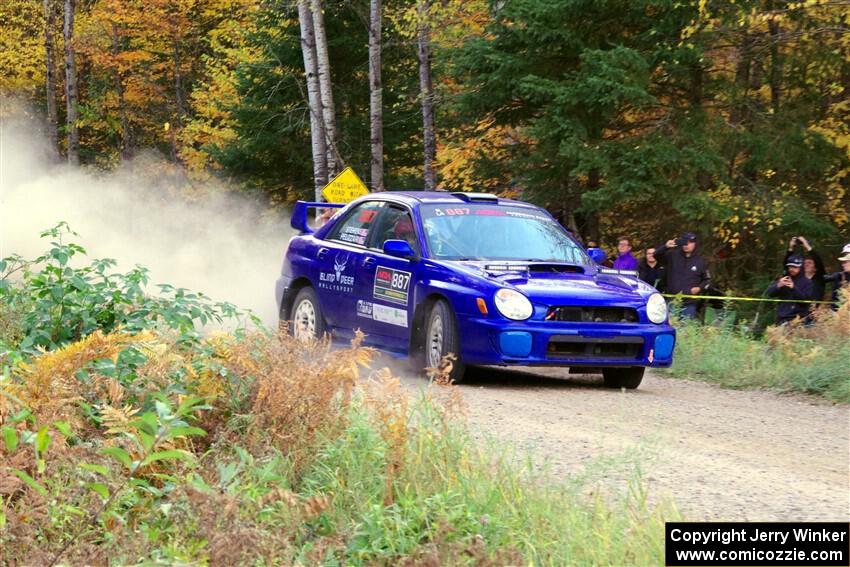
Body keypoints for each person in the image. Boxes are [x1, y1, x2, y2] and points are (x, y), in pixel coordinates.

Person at [653, 232, 711, 319]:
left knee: (686, 329)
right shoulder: (672, 255)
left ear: (695, 244)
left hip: (689, 304)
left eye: (690, 242)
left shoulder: (700, 261)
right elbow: (656, 255)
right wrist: (665, 247)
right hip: (672, 301)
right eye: (684, 242)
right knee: (670, 328)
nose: (687, 245)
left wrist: (699, 288)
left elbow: (707, 280)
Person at [766, 254, 814, 324]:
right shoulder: (784, 279)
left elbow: (805, 301)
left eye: (795, 267)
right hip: (782, 319)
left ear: (800, 268)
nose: (792, 269)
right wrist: (778, 285)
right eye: (790, 267)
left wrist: (793, 288)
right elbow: (769, 293)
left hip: (799, 320)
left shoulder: (808, 282)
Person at [783, 236, 826, 300]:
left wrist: (807, 246)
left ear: (815, 268)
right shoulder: (798, 277)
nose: (806, 264)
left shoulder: (819, 278)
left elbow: (818, 261)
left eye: (810, 263)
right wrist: (791, 248)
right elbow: (787, 265)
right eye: (805, 263)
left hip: (815, 308)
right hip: (800, 308)